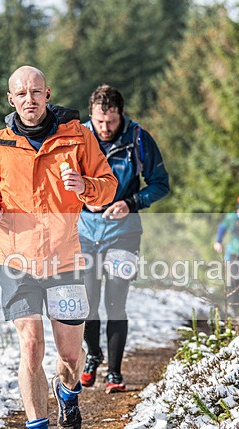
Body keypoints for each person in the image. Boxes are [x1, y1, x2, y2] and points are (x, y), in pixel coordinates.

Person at [0, 66, 117, 429]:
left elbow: (107, 185)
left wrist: (85, 187)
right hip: (15, 259)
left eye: (36, 92)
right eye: (21, 93)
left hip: (65, 261)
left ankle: (68, 394)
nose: (29, 99)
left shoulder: (77, 135)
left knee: (70, 359)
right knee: (31, 345)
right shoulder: (0, 143)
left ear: (48, 94)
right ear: (11, 99)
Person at [77, 85, 170, 393]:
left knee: (115, 301)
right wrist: (80, 199)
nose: (105, 129)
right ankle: (93, 356)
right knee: (87, 301)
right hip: (84, 232)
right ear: (91, 114)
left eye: (111, 122)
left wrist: (130, 203)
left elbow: (160, 184)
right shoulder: (77, 138)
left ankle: (114, 372)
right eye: (99, 121)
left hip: (124, 231)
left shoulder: (139, 139)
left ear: (121, 115)